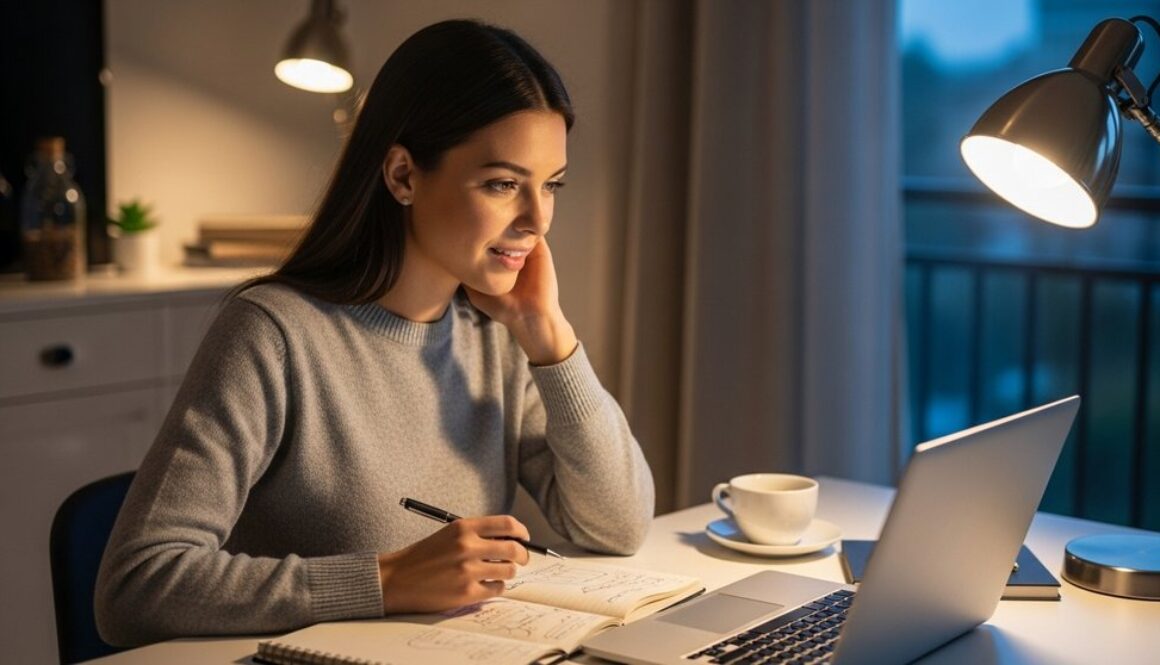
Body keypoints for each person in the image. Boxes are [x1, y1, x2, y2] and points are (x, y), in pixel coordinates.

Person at [95, 18, 654, 646]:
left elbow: (618, 525)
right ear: (403, 176)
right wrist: (386, 579)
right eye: (503, 184)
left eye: (550, 185)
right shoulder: (274, 333)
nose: (536, 219)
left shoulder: (496, 334)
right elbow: (135, 588)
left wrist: (549, 335)